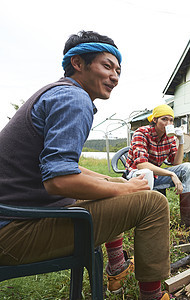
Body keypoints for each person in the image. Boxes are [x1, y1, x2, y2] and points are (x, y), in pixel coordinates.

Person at [0, 31, 170, 300]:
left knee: (114, 182)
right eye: (106, 66)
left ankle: (117, 266)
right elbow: (58, 181)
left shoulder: (57, 93)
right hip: (13, 233)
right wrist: (128, 191)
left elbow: (63, 166)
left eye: (118, 70)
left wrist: (118, 184)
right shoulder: (74, 99)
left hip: (18, 215)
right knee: (153, 203)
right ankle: (153, 296)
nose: (115, 76)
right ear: (78, 63)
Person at [125, 104, 190, 231]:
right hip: (137, 176)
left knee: (188, 168)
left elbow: (177, 164)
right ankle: (146, 220)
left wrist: (181, 141)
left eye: (171, 120)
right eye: (164, 119)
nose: (168, 123)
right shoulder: (141, 133)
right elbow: (141, 164)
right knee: (147, 172)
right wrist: (172, 174)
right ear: (155, 120)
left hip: (156, 175)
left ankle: (188, 219)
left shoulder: (169, 137)